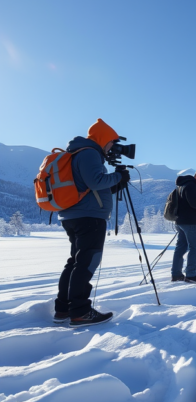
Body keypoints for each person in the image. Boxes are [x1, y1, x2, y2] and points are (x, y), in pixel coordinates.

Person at [54, 119, 130, 327]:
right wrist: (117, 176)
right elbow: (96, 181)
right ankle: (80, 311)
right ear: (103, 139)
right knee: (87, 262)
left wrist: (116, 182)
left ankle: (63, 308)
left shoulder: (78, 152)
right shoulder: (89, 153)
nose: (112, 148)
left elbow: (90, 188)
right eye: (111, 143)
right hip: (89, 218)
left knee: (75, 262)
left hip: (75, 215)